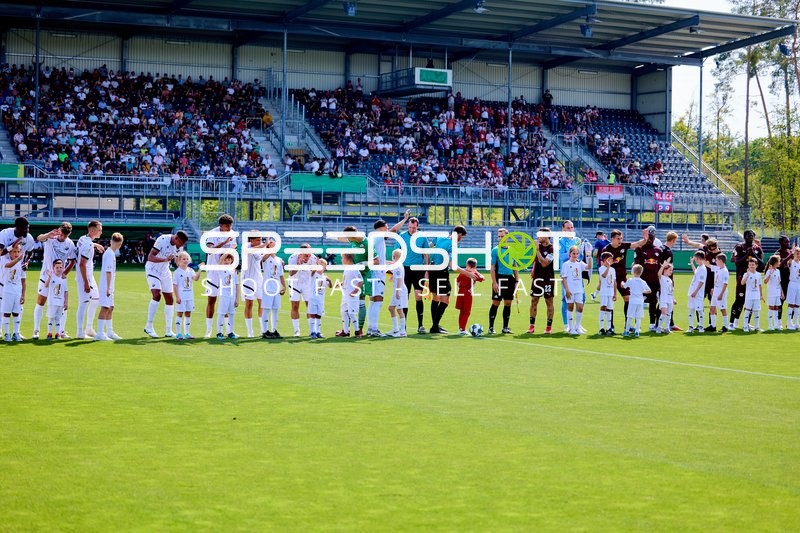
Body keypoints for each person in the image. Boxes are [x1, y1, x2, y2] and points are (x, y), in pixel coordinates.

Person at [32, 223, 76, 339]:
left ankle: (61, 331)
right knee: (40, 302)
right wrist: (48, 234)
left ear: (69, 234)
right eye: (61, 234)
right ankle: (36, 330)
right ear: (58, 231)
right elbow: (38, 238)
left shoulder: (70, 244)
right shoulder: (51, 238)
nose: (62, 237)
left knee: (61, 305)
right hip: (46, 276)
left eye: (65, 236)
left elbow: (72, 261)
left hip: (59, 281)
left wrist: (64, 274)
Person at [429, 225, 474, 334]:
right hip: (441, 272)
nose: (461, 239)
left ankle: (435, 325)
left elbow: (430, 245)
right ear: (458, 234)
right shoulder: (452, 245)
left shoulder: (440, 237)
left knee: (435, 298)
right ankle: (434, 327)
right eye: (462, 237)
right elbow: (452, 265)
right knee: (445, 300)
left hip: (432, 270)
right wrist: (467, 273)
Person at [144, 230, 188, 338]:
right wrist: (165, 259)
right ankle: (148, 326)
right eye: (181, 243)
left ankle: (168, 330)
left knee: (169, 299)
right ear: (176, 238)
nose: (180, 246)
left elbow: (178, 260)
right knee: (157, 294)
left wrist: (187, 269)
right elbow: (150, 257)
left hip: (165, 271)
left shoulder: (179, 247)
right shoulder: (162, 240)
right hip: (152, 269)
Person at [601, 229, 647, 334]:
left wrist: (645, 239)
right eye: (618, 238)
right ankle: (610, 327)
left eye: (621, 238)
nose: (620, 240)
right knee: (610, 302)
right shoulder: (606, 249)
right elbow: (602, 264)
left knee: (628, 299)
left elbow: (638, 244)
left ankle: (628, 325)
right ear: (612, 239)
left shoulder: (624, 246)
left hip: (622, 278)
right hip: (610, 278)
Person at [202, 214, 236, 338]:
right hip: (213, 272)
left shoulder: (232, 233)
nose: (230, 228)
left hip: (226, 272)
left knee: (226, 301)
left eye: (231, 225)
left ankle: (228, 330)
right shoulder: (212, 234)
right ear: (221, 225)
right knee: (212, 300)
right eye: (227, 226)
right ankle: (209, 329)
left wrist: (233, 265)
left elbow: (233, 250)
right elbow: (210, 250)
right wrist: (224, 242)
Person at [399, 216, 429, 333]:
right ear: (408, 226)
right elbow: (397, 253)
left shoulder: (422, 237)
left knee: (418, 296)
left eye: (414, 227)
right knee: (404, 297)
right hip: (405, 270)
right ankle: (403, 325)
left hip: (418, 269)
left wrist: (426, 271)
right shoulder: (402, 236)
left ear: (418, 226)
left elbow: (426, 254)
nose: (412, 229)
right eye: (410, 227)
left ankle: (420, 325)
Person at [729, 229, 763, 330]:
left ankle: (746, 323)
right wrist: (746, 255)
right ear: (744, 237)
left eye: (752, 235)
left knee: (751, 301)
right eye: (748, 235)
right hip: (742, 278)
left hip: (753, 280)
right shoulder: (739, 247)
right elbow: (736, 262)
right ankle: (732, 322)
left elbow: (761, 264)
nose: (750, 237)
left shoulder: (757, 248)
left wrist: (754, 254)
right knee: (739, 300)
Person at [489, 227, 520, 334]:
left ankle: (505, 327)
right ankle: (491, 327)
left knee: (508, 303)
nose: (500, 238)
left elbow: (515, 266)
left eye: (502, 236)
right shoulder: (495, 250)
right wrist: (494, 282)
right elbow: (492, 267)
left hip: (510, 279)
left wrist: (517, 281)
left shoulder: (512, 250)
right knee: (496, 302)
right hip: (499, 278)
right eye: (499, 236)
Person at [76, 220, 103, 339]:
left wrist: (96, 245)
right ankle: (80, 332)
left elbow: (87, 243)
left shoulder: (83, 239)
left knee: (96, 299)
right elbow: (82, 264)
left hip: (89, 276)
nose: (101, 232)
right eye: (99, 230)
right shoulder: (87, 245)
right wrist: (86, 282)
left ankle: (89, 328)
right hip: (84, 277)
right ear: (92, 230)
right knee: (83, 303)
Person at [633, 227, 664, 331]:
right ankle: (637, 325)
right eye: (648, 237)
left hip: (655, 281)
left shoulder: (658, 250)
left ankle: (652, 324)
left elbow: (661, 266)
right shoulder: (639, 249)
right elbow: (636, 265)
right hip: (642, 281)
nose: (650, 239)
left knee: (653, 302)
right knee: (638, 302)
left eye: (652, 237)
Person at [95, 232, 124, 341]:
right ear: (120, 244)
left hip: (109, 285)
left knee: (111, 307)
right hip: (106, 286)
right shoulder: (109, 254)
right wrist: (108, 288)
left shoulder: (110, 253)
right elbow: (108, 272)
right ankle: (100, 333)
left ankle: (109, 331)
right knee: (105, 307)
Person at [558, 220, 584, 332]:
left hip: (577, 272)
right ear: (563, 229)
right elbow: (561, 256)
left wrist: (582, 252)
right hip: (567, 273)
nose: (570, 230)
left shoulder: (577, 240)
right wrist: (572, 252)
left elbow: (581, 256)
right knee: (566, 299)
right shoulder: (560, 241)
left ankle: (577, 324)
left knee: (581, 298)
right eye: (568, 228)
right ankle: (566, 324)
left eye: (572, 227)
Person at [287, 243, 318, 337]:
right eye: (306, 255)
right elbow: (291, 273)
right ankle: (296, 330)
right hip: (294, 283)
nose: (308, 257)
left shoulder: (313, 258)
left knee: (310, 306)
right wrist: (298, 265)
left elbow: (313, 273)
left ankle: (312, 330)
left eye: (309, 254)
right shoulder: (293, 258)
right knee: (295, 306)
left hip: (307, 283)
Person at [528, 228, 555, 334]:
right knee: (534, 300)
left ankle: (548, 327)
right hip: (537, 278)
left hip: (548, 278)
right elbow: (534, 261)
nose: (538, 237)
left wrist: (537, 250)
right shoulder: (537, 246)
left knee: (549, 301)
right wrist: (533, 270)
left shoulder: (552, 248)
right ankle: (531, 326)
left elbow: (544, 263)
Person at [241, 233, 267, 338]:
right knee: (249, 304)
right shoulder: (246, 246)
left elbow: (262, 258)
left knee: (262, 303)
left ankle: (263, 330)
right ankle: (250, 332)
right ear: (251, 240)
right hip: (248, 279)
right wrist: (264, 245)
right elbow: (250, 251)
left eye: (260, 240)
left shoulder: (261, 248)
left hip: (258, 278)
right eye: (257, 240)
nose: (259, 242)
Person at [173, 251, 201, 339]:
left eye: (187, 259)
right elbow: (175, 285)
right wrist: (177, 296)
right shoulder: (177, 272)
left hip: (189, 296)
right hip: (181, 296)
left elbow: (195, 278)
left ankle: (187, 333)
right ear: (179, 260)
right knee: (180, 313)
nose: (185, 260)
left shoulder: (190, 270)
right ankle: (178, 333)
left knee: (188, 313)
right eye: (183, 259)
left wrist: (200, 269)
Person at [561, 245, 588, 335]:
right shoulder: (566, 264)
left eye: (577, 254)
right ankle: (571, 328)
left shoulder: (580, 263)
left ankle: (577, 326)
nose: (575, 255)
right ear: (570, 254)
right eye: (573, 253)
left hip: (579, 289)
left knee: (580, 307)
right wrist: (567, 290)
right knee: (570, 307)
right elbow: (563, 278)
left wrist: (589, 256)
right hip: (570, 290)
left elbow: (588, 267)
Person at [260, 243, 286, 338]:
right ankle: (265, 331)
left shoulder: (279, 260)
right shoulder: (265, 258)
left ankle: (274, 330)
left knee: (275, 310)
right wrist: (268, 247)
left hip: (276, 288)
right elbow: (263, 258)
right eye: (271, 245)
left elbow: (280, 275)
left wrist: (284, 286)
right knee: (266, 309)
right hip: (267, 287)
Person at [1, 243, 25, 341]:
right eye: (14, 251)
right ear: (10, 252)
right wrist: (19, 259)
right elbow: (8, 265)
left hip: (17, 290)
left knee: (16, 313)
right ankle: (7, 334)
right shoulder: (4, 260)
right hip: (7, 290)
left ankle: (16, 333)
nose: (16, 253)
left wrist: (23, 294)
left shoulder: (21, 263)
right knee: (6, 313)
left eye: (18, 251)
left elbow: (23, 279)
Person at [455, 257, 484, 336]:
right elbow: (482, 278)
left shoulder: (462, 273)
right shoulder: (474, 273)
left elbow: (457, 282)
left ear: (467, 264)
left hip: (460, 292)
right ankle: (462, 329)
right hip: (467, 293)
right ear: (474, 266)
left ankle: (460, 328)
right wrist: (475, 271)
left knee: (462, 311)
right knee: (467, 312)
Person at [336, 252, 362, 337]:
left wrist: (354, 292)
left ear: (346, 259)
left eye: (342, 258)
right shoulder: (346, 269)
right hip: (345, 295)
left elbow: (360, 281)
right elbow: (346, 281)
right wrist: (340, 284)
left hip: (352, 296)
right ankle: (345, 331)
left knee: (352, 313)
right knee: (343, 312)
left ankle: (357, 331)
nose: (341, 260)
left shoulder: (354, 269)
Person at [621, 264, 651, 337]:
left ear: (633, 271)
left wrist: (622, 283)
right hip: (640, 301)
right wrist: (642, 291)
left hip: (633, 301)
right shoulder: (642, 281)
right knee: (638, 317)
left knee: (629, 316)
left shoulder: (630, 280)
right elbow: (649, 290)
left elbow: (624, 286)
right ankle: (637, 332)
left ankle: (627, 331)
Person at [216, 252, 239, 339]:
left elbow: (237, 285)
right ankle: (219, 332)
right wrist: (228, 251)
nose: (226, 261)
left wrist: (237, 298)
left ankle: (230, 332)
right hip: (223, 294)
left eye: (229, 259)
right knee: (221, 313)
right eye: (225, 259)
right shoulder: (221, 269)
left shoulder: (234, 271)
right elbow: (220, 260)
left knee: (232, 314)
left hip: (232, 295)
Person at [44, 259, 68, 340]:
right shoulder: (51, 277)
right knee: (51, 318)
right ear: (53, 268)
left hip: (60, 302)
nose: (59, 269)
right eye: (57, 267)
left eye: (61, 267)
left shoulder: (64, 279)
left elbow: (66, 292)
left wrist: (66, 302)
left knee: (58, 318)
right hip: (52, 302)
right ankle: (49, 333)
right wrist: (49, 277)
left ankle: (58, 334)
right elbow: (46, 286)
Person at [307, 258, 331, 339]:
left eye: (323, 265)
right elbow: (312, 271)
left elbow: (330, 286)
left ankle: (318, 331)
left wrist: (330, 280)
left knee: (319, 315)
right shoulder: (314, 274)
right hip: (312, 297)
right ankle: (312, 332)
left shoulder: (324, 277)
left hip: (321, 299)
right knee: (312, 314)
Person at [388, 249, 408, 337]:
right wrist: (393, 276)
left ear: (394, 256)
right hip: (397, 290)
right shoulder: (397, 265)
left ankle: (403, 331)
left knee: (400, 310)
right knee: (391, 308)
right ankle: (395, 329)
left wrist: (398, 291)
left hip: (400, 291)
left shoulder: (398, 266)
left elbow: (400, 279)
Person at [687, 250, 708, 333]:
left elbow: (701, 282)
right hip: (692, 291)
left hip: (697, 293)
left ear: (699, 258)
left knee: (699, 310)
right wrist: (691, 263)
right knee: (691, 309)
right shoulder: (699, 267)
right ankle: (691, 326)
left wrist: (695, 292)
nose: (694, 259)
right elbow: (695, 272)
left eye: (695, 258)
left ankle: (701, 327)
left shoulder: (703, 268)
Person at [741, 258, 764, 332]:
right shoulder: (746, 274)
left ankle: (757, 327)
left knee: (756, 311)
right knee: (747, 311)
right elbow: (742, 283)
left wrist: (761, 295)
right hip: (749, 296)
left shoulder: (759, 274)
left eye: (753, 265)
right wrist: (747, 275)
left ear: (756, 265)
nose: (751, 266)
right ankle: (745, 326)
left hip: (756, 296)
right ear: (748, 265)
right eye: (750, 265)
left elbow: (760, 285)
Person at [708, 253, 730, 333]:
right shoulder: (718, 268)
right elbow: (709, 265)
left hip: (721, 292)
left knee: (722, 309)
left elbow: (725, 284)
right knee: (712, 308)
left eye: (716, 260)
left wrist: (721, 294)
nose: (715, 261)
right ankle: (713, 326)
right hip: (716, 291)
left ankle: (725, 326)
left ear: (721, 260)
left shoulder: (725, 271)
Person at [597, 251, 617, 335]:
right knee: (603, 308)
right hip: (604, 292)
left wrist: (615, 294)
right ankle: (601, 328)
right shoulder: (601, 268)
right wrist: (608, 267)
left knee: (609, 310)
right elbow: (604, 276)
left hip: (611, 292)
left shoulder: (613, 269)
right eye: (610, 259)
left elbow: (614, 282)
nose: (611, 261)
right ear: (605, 260)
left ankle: (609, 328)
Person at [764, 255, 784, 331]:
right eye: (778, 261)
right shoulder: (769, 271)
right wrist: (770, 274)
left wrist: (782, 293)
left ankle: (776, 325)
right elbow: (765, 281)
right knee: (771, 308)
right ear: (775, 263)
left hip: (777, 292)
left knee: (776, 308)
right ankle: (770, 325)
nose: (779, 263)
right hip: (771, 292)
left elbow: (779, 283)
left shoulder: (778, 271)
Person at [655, 259, 675, 334]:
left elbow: (671, 290)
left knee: (669, 313)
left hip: (669, 299)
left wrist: (673, 299)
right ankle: (659, 327)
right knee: (663, 313)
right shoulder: (662, 278)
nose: (671, 271)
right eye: (670, 270)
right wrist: (663, 266)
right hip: (663, 298)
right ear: (665, 270)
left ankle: (667, 328)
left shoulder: (670, 280)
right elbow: (659, 274)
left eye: (671, 270)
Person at [776, 235, 792, 322]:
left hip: (790, 280)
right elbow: (778, 265)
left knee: (793, 301)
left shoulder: (789, 251)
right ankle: (778, 321)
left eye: (788, 241)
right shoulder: (778, 253)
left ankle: (790, 321)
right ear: (781, 243)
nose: (788, 243)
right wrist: (788, 257)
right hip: (781, 281)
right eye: (786, 242)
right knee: (780, 301)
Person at [590, 231, 610, 301]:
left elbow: (595, 254)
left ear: (598, 235)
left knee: (602, 280)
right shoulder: (608, 242)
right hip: (609, 263)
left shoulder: (598, 242)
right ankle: (595, 295)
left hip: (601, 262)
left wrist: (593, 256)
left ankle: (602, 295)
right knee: (604, 279)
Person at [786, 247, 800, 330]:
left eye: (799, 253)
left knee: (798, 304)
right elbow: (788, 262)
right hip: (792, 284)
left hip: (799, 284)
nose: (798, 255)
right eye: (797, 253)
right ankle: (789, 323)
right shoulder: (791, 262)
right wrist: (792, 252)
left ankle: (797, 322)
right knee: (791, 304)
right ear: (794, 254)